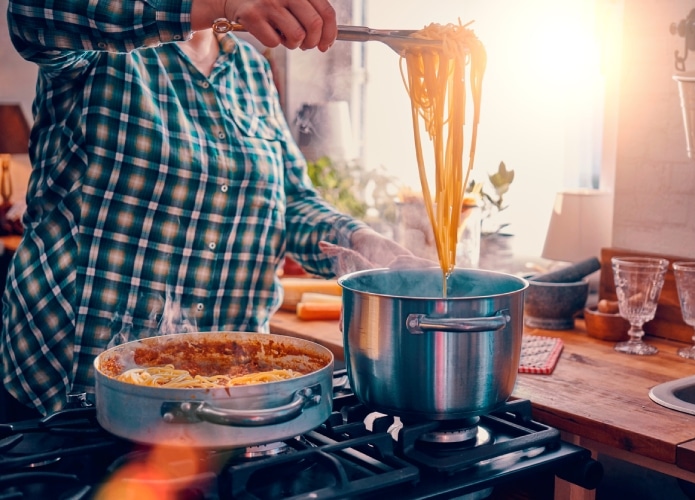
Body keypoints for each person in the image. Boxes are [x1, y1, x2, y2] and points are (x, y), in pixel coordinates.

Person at [2, 0, 413, 420]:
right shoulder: (107, 45)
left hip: (230, 398)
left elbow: (290, 202)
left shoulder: (250, 69)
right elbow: (31, 15)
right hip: (77, 387)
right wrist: (220, 5)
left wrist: (362, 242)